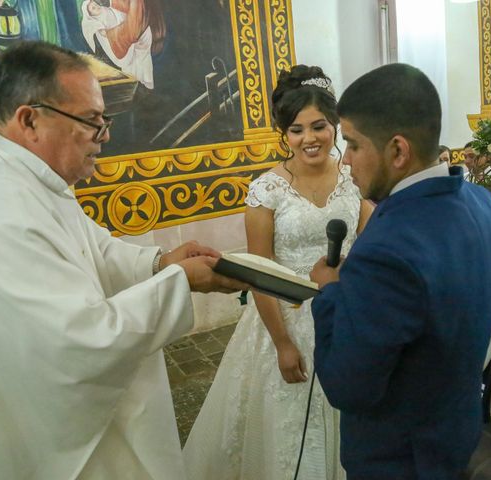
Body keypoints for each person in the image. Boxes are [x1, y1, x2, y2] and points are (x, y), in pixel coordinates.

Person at [0, 41, 246, 479]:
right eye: (92, 122)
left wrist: (160, 263)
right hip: (54, 437)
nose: (105, 136)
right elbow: (78, 341)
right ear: (30, 120)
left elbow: (92, 248)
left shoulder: (27, 175)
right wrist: (179, 281)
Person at [309, 63, 491, 479]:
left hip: (398, 457)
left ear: (398, 151)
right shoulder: (482, 202)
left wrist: (331, 293)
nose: (345, 161)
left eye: (353, 144)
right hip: (455, 429)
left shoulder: (387, 250)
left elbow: (348, 386)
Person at [182, 65, 373, 480]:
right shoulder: (266, 190)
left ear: (334, 125)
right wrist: (284, 342)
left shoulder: (355, 180)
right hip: (282, 321)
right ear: (284, 134)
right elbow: (259, 274)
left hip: (346, 318)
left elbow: (373, 244)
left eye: (319, 126)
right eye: (296, 130)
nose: (310, 139)